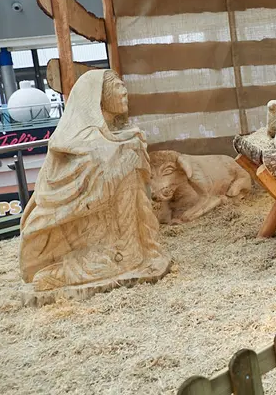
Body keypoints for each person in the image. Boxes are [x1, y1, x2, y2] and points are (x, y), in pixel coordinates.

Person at [20, 70, 169, 292]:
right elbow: (88, 192)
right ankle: (57, 273)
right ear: (98, 95)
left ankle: (134, 247)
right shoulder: (81, 140)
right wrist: (123, 164)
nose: (124, 91)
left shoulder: (123, 137)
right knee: (126, 258)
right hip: (89, 228)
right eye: (117, 87)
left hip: (122, 227)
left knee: (133, 254)